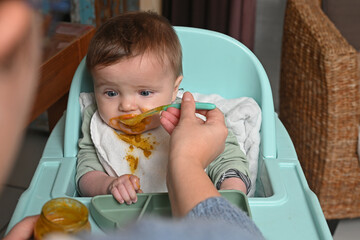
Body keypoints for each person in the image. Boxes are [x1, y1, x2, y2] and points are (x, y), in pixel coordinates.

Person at [76, 11, 251, 205]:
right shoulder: (98, 122)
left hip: (195, 211)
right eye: (110, 93)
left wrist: (231, 189)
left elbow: (227, 159)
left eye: (144, 93)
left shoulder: (188, 119)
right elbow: (85, 173)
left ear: (173, 89)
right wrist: (108, 185)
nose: (126, 106)